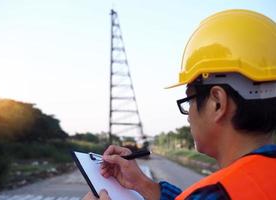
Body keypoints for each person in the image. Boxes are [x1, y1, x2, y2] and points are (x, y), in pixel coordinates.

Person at [83, 9, 276, 200]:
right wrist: (142, 184)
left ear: (217, 103)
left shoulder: (215, 193)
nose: (188, 116)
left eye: (189, 100)